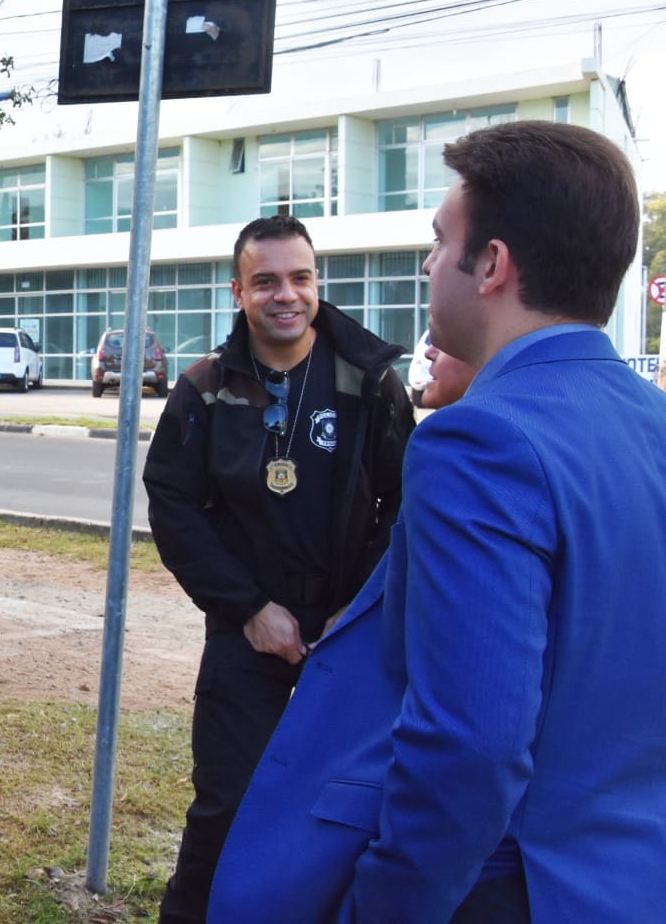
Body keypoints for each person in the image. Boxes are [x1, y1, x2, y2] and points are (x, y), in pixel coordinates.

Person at [209, 120, 666, 923]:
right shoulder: (651, 423)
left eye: (438, 240)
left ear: (491, 265)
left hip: (504, 889)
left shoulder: (479, 439)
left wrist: (380, 907)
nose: (426, 265)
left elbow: (471, 748)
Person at [141, 215, 414, 923]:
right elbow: (173, 506)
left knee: (344, 804)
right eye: (266, 281)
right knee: (227, 804)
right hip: (246, 626)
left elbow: (404, 501)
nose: (285, 295)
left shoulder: (370, 382)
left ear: (317, 284)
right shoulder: (205, 389)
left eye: (300, 278)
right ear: (238, 291)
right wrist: (249, 609)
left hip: (349, 631)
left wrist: (356, 611)